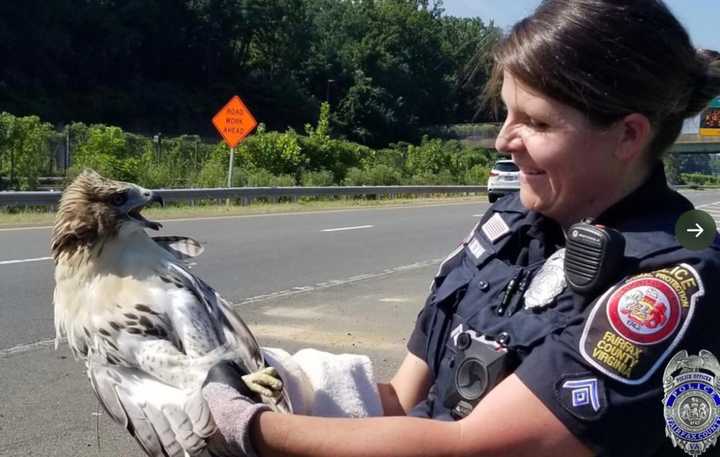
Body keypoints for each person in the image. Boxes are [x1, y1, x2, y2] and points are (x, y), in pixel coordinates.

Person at [200, 1, 720, 456]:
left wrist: (254, 430)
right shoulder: (509, 228)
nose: (503, 142)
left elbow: (472, 448)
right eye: (506, 113)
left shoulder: (671, 279)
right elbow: (405, 402)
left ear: (627, 135)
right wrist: (291, 386)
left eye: (536, 123)